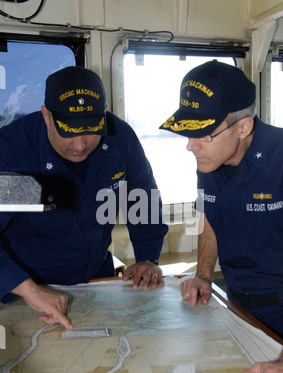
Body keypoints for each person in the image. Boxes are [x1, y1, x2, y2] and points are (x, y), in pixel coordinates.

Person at [160, 60, 283, 373]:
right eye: (187, 132)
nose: (190, 146)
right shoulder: (211, 161)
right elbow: (210, 219)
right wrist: (203, 276)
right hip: (238, 305)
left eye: (203, 134)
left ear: (243, 127)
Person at [0, 65, 168, 330]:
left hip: (95, 277)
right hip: (26, 286)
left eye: (91, 129)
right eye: (68, 131)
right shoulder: (14, 154)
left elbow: (142, 199)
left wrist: (148, 257)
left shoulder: (120, 139)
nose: (80, 145)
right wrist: (29, 290)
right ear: (47, 116)